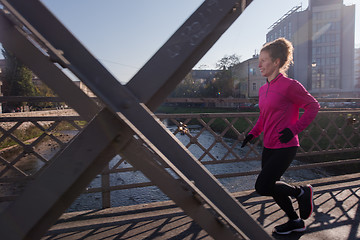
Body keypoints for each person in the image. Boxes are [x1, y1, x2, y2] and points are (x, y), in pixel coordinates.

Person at [241, 37, 320, 235]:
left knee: (263, 186)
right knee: (273, 186)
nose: (259, 65)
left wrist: (294, 129)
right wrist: (252, 133)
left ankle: (300, 192)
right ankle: (295, 221)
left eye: (264, 60)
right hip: (268, 146)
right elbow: (263, 117)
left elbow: (313, 106)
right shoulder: (262, 89)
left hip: (286, 146)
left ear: (276, 62)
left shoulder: (290, 85)